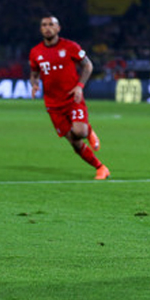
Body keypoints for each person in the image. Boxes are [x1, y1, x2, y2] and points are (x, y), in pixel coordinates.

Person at [29, 14, 110, 180]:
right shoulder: (35, 52)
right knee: (74, 141)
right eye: (44, 25)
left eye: (51, 24)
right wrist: (34, 83)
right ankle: (101, 168)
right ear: (40, 29)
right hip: (52, 104)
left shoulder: (70, 46)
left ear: (58, 28)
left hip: (73, 98)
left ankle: (88, 130)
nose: (47, 27)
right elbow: (34, 73)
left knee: (79, 131)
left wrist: (80, 86)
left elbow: (88, 65)